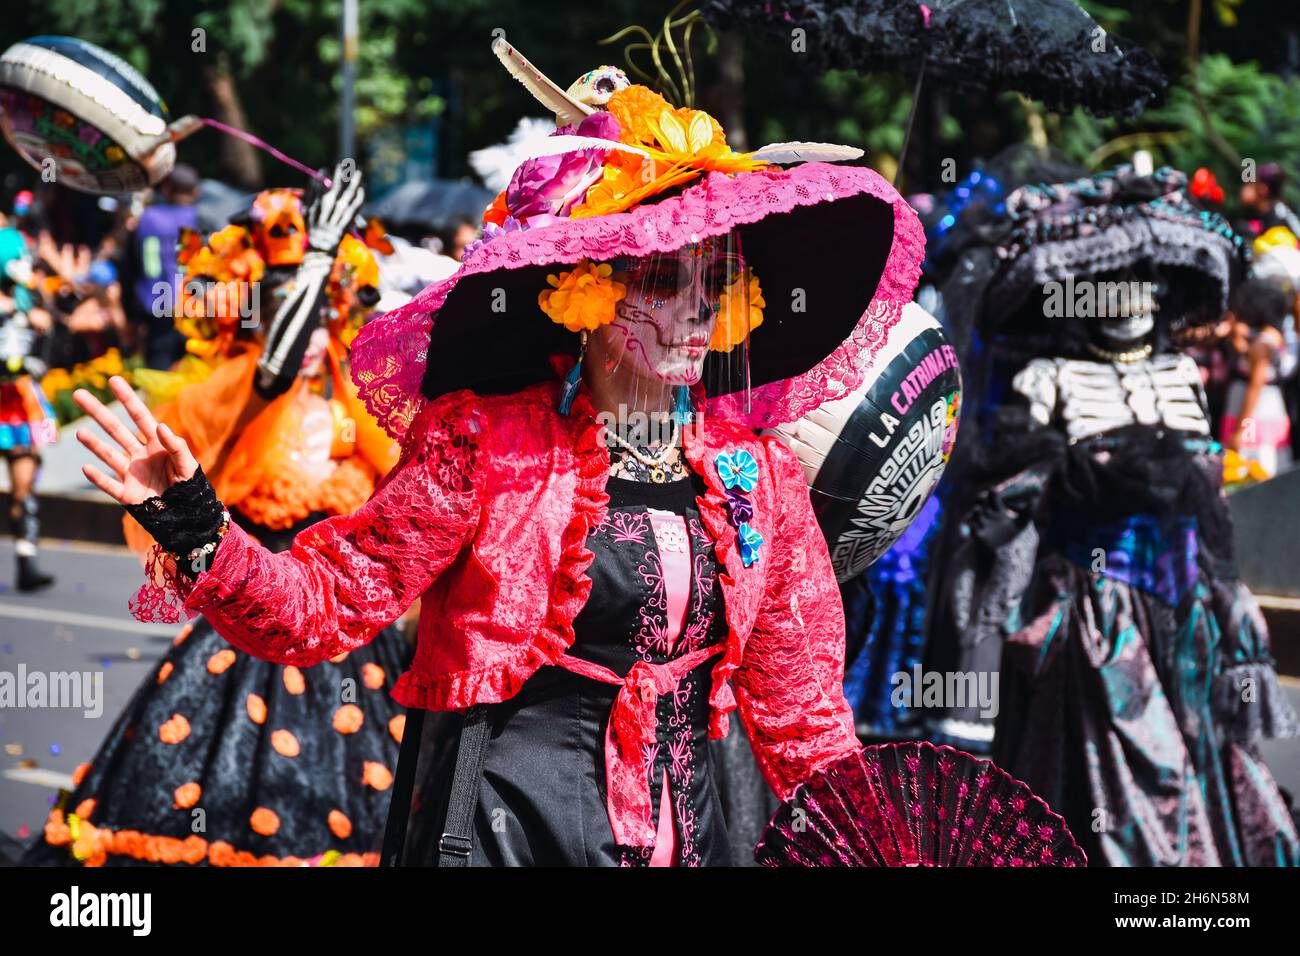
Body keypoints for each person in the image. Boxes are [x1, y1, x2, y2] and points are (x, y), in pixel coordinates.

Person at [66, 52, 932, 866]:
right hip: (504, 833)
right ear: (589, 290)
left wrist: (880, 844)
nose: (696, 314)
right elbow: (328, 603)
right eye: (664, 283)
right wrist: (195, 526)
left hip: (690, 834)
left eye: (714, 284)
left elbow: (804, 718)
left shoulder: (759, 477)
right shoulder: (491, 445)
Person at [25, 169, 413, 867]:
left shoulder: (361, 398)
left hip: (348, 623)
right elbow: (278, 363)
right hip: (256, 603)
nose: (319, 310)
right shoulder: (244, 384)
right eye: (294, 292)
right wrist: (319, 248)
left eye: (328, 296)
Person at [939, 167, 1298, 866]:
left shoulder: (1182, 376)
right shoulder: (1049, 380)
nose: (1129, 294)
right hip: (1095, 609)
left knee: (1199, 752)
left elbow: (1210, 497)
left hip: (1188, 600)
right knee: (1123, 767)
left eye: (1144, 276)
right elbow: (1014, 495)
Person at [0, 225, 57, 591]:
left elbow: (46, 356)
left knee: (25, 485)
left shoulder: (30, 303)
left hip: (21, 405)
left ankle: (27, 561)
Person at [122, 164, 199, 370]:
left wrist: (130, 317)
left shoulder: (145, 220)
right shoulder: (202, 220)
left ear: (166, 189)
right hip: (195, 310)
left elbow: (129, 271)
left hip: (156, 310)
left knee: (159, 375)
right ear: (195, 192)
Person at [1222, 277, 1293, 477]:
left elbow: (1255, 387)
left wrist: (1239, 431)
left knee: (1253, 468)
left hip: (1254, 415)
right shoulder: (1271, 336)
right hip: (1267, 409)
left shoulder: (1262, 344)